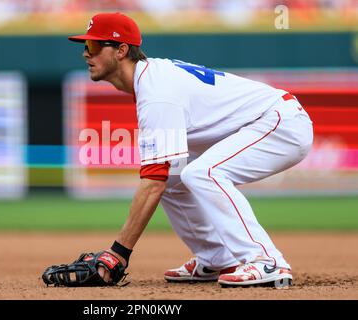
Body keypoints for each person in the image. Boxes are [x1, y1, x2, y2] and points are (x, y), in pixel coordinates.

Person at [67, 12, 313, 287]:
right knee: (174, 174)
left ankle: (267, 261)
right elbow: (161, 177)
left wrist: (118, 253)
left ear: (122, 50)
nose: (86, 54)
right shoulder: (152, 80)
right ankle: (216, 258)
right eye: (85, 47)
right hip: (259, 123)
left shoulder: (157, 93)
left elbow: (151, 183)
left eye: (93, 46)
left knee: (202, 173)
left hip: (280, 122)